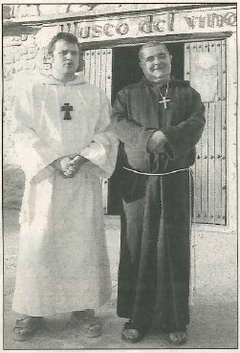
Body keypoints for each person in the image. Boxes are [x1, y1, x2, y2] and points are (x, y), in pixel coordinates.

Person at [11, 32, 118, 341]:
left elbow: (107, 133)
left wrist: (83, 158)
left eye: (74, 53)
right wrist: (55, 161)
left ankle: (83, 310)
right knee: (39, 243)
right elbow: (21, 132)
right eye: (63, 53)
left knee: (82, 247)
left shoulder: (94, 94)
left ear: (80, 57)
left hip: (81, 182)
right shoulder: (33, 90)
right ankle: (31, 310)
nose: (70, 58)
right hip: (46, 181)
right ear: (50, 56)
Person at [109, 41, 205, 345]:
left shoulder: (188, 94)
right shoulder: (127, 95)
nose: (156, 63)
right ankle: (137, 317)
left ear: (170, 59)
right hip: (138, 183)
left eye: (161, 56)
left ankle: (175, 319)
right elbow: (117, 122)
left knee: (172, 248)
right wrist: (149, 137)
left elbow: (197, 121)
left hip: (174, 181)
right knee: (138, 248)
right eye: (149, 59)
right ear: (141, 65)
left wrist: (170, 135)